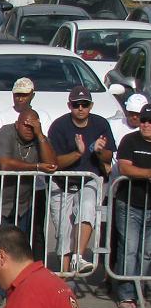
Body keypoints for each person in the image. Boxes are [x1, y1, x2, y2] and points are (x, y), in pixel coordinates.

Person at [0, 107, 55, 304]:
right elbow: (5, 164)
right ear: (17, 124)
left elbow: (51, 164)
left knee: (19, 249)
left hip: (23, 202)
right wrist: (37, 167)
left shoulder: (38, 138)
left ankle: (19, 287)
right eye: (26, 125)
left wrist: (40, 135)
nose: (29, 129)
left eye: (34, 126)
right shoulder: (5, 133)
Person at [47, 85, 114, 273]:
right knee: (63, 234)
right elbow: (55, 162)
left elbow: (108, 158)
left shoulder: (101, 124)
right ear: (70, 105)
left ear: (91, 106)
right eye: (77, 105)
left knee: (87, 209)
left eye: (85, 104)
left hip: (89, 180)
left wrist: (100, 152)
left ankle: (78, 256)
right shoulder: (59, 126)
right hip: (62, 183)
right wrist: (78, 153)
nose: (81, 108)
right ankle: (66, 279)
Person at [112, 105, 151, 308]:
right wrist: (148, 174)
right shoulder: (130, 140)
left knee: (146, 253)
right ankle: (126, 293)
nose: (145, 124)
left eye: (149, 121)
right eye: (143, 120)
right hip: (130, 204)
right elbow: (124, 166)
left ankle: (140, 290)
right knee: (129, 249)